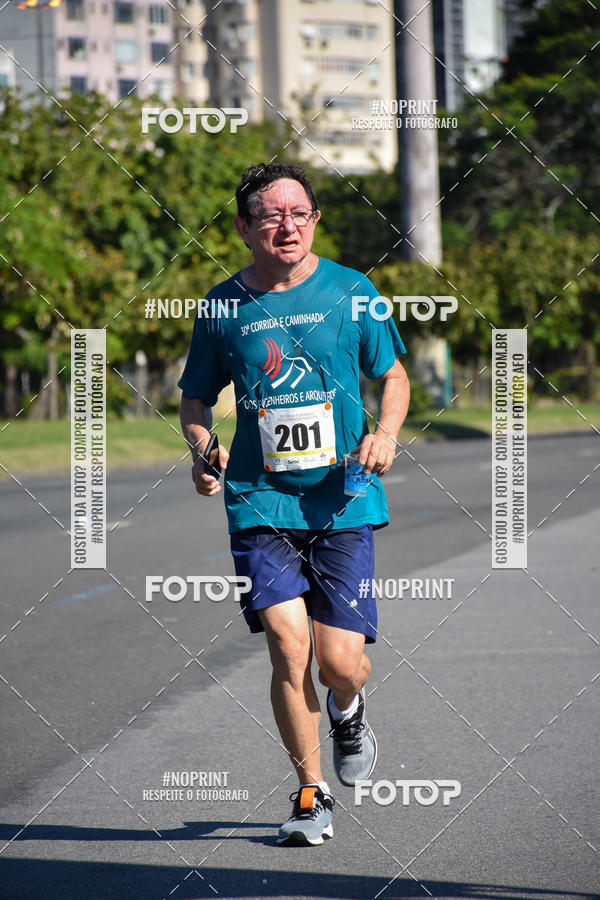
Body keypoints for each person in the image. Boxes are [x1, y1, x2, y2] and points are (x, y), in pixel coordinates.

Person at [179, 162, 410, 846]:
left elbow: (391, 376)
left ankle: (349, 705)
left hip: (342, 502)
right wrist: (201, 447)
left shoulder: (353, 291)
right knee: (287, 645)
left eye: (299, 213)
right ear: (245, 227)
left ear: (315, 220)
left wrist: (386, 433)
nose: (288, 224)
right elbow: (196, 397)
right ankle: (310, 797)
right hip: (259, 502)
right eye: (271, 215)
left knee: (339, 662)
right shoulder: (222, 307)